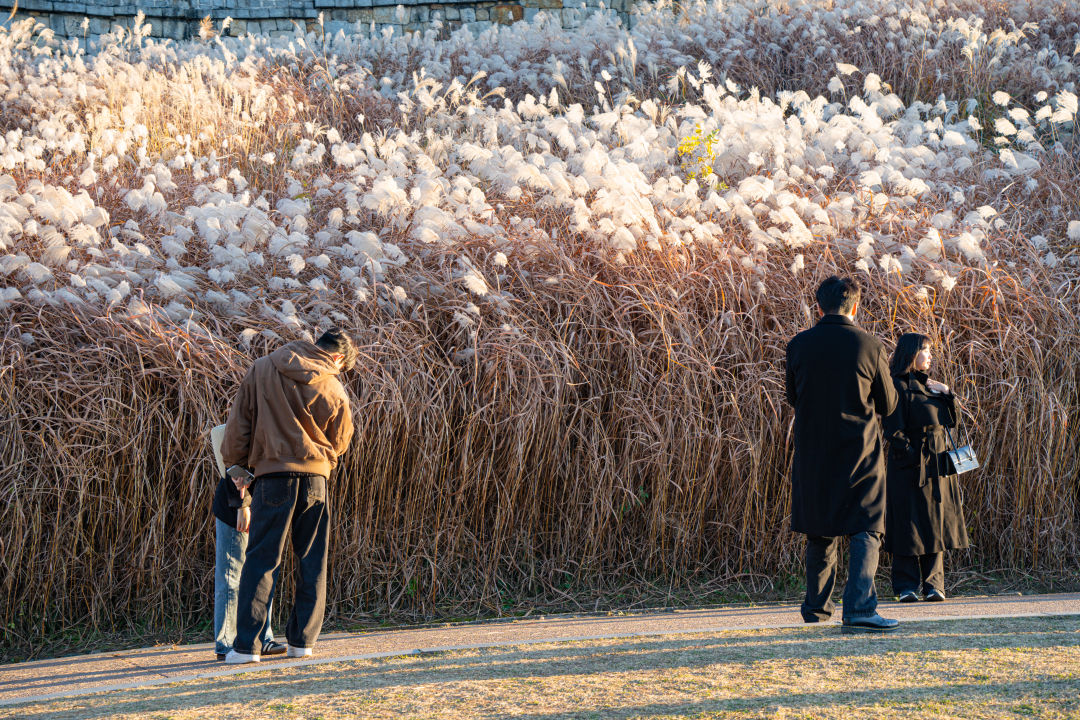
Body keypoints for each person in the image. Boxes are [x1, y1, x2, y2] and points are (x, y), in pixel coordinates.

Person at [221, 327, 356, 664]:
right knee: (312, 559)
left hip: (272, 478)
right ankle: (302, 642)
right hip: (315, 479)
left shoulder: (263, 367)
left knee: (262, 560)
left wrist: (236, 468)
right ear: (338, 358)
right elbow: (341, 440)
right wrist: (322, 459)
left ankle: (247, 647)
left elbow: (239, 425)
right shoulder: (333, 383)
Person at [785, 276, 899, 633]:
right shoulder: (868, 344)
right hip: (859, 450)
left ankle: (816, 609)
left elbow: (793, 395)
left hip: (814, 451)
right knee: (866, 527)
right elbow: (888, 403)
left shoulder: (799, 345)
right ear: (855, 306)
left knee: (820, 529)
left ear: (818, 306)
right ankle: (861, 608)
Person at [883, 333, 969, 602]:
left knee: (935, 522)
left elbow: (950, 421)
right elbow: (893, 429)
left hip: (937, 462)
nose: (930, 355)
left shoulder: (930, 386)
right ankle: (906, 586)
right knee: (907, 522)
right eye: (925, 350)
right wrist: (909, 456)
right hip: (908, 465)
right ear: (911, 353)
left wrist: (946, 392)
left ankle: (934, 585)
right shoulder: (896, 386)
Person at [210, 470, 284, 661]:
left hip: (261, 502)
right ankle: (226, 642)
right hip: (236, 504)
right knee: (230, 574)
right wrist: (240, 504)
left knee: (261, 573)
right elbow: (231, 463)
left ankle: (263, 637)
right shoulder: (231, 440)